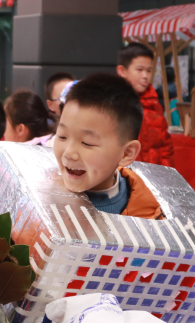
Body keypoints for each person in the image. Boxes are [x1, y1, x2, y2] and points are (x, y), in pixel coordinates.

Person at [55, 73, 164, 219]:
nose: (69, 153)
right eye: (62, 136)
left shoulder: (150, 215)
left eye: (87, 143)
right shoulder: (37, 196)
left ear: (127, 153)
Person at [117, 43, 175, 168]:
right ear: (122, 71)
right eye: (140, 70)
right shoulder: (111, 105)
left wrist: (166, 175)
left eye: (149, 70)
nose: (145, 76)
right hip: (123, 176)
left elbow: (165, 148)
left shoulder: (154, 103)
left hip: (154, 176)